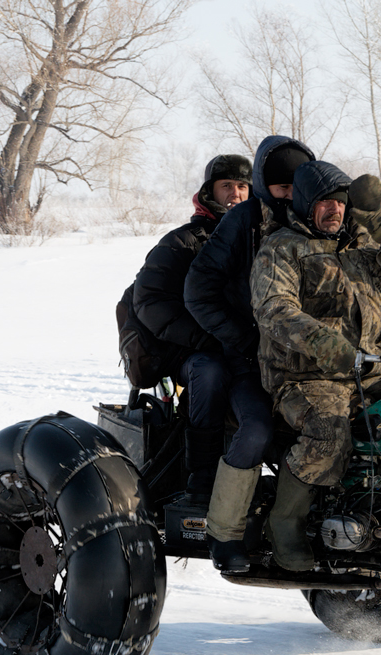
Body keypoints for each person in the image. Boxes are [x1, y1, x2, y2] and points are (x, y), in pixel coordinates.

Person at [249, 160, 381, 572]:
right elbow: (274, 310)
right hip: (308, 374)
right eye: (325, 203)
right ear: (307, 204)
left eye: (341, 203)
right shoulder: (282, 248)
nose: (336, 210)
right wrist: (329, 346)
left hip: (376, 366)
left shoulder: (360, 244)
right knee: (328, 432)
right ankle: (284, 523)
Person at [184, 135, 315, 570]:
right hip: (251, 362)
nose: (292, 197)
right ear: (263, 186)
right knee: (256, 430)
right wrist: (243, 341)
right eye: (282, 189)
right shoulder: (242, 221)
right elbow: (198, 291)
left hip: (310, 362)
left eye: (298, 187)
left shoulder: (318, 215)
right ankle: (224, 532)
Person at [129, 153, 252, 499]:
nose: (235, 194)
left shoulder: (261, 238)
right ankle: (202, 474)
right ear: (209, 190)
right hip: (193, 352)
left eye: (243, 186)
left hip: (246, 345)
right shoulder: (183, 241)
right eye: (226, 185)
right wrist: (204, 338)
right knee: (209, 372)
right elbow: (149, 301)